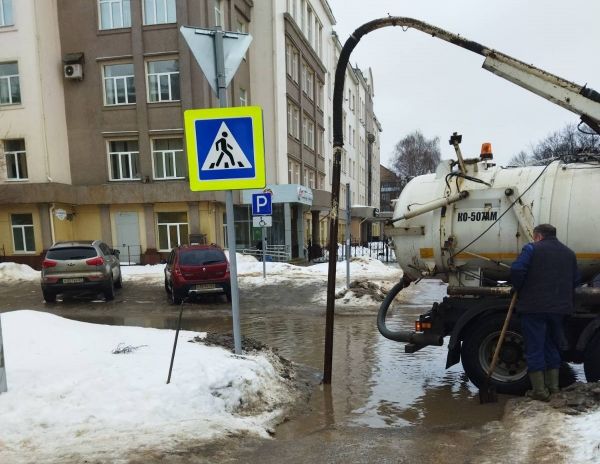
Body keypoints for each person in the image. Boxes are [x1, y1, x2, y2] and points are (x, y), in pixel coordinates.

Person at [510, 223, 579, 401]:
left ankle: (540, 391)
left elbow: (517, 269)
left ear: (538, 236)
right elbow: (576, 279)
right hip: (559, 309)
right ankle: (554, 388)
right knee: (551, 345)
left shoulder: (532, 249)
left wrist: (519, 287)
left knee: (535, 347)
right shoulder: (569, 253)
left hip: (534, 308)